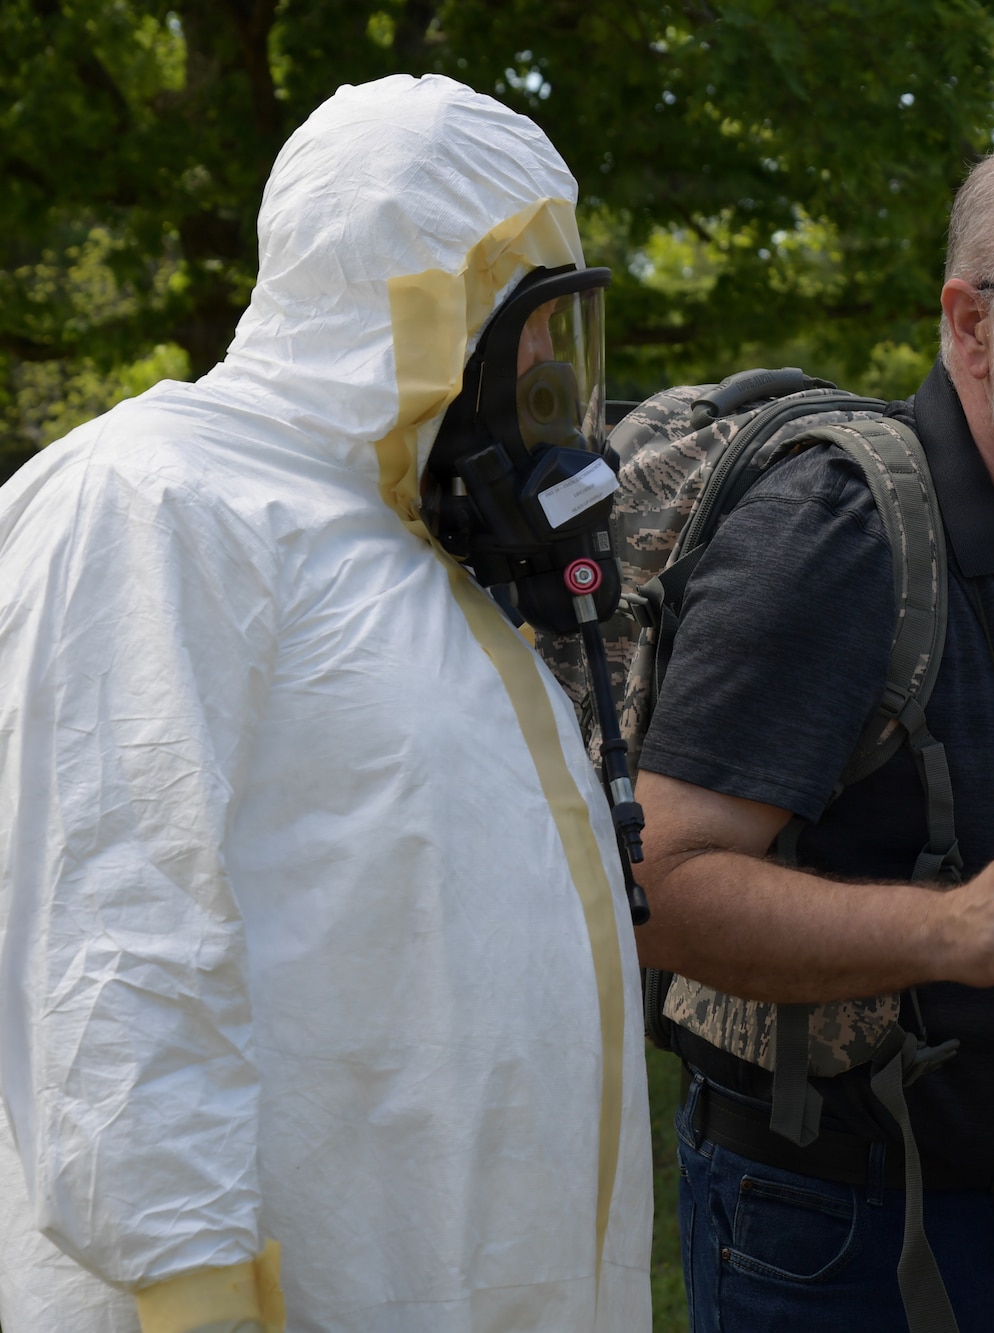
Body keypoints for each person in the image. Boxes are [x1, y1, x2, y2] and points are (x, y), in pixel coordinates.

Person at [0, 76, 650, 1331]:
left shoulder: (401, 551)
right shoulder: (155, 498)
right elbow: (112, 945)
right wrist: (194, 1295)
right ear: (425, 294)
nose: (545, 371)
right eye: (532, 320)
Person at [632, 125, 994, 1332]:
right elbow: (656, 884)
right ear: (969, 323)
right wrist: (940, 928)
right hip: (823, 1227)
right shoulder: (835, 532)